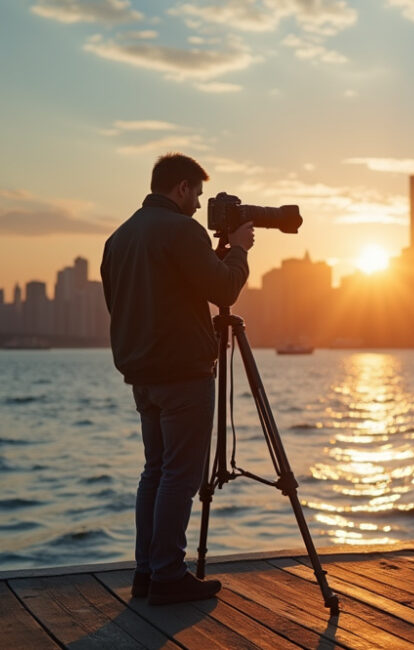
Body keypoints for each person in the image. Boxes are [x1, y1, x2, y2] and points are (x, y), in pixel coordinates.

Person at [100, 153, 255, 606]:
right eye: (197, 195)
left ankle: (147, 572)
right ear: (182, 188)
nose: (198, 207)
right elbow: (224, 289)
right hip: (182, 373)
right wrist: (241, 250)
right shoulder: (181, 230)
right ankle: (168, 573)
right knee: (179, 476)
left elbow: (126, 302)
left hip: (141, 373)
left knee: (155, 470)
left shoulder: (119, 237)